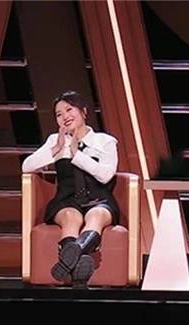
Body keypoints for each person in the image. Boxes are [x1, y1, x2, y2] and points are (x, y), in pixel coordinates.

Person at [22, 91, 119, 286]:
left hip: (99, 200)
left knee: (96, 216)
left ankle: (69, 259)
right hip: (66, 201)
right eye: (59, 114)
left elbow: (106, 174)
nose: (65, 116)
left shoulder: (105, 141)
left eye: (69, 109)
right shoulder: (55, 140)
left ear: (84, 112)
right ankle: (78, 260)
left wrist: (77, 155)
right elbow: (27, 166)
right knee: (70, 217)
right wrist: (56, 149)